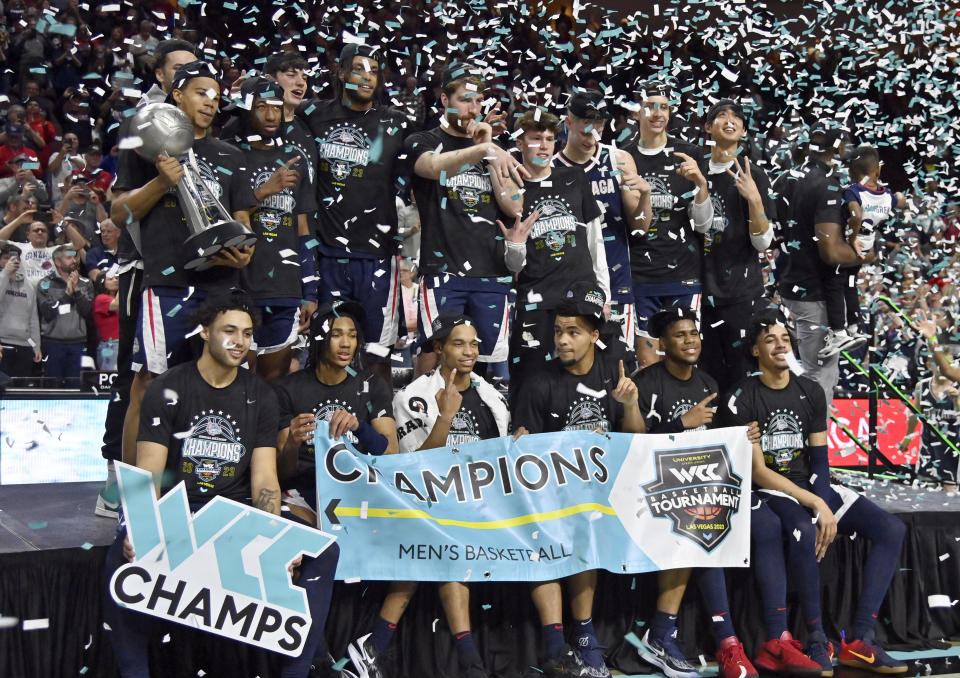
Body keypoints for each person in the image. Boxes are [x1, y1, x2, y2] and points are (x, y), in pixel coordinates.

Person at [102, 292, 340, 678]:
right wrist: (140, 529)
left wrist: (274, 536)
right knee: (121, 556)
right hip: (183, 512)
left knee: (322, 552)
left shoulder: (260, 394)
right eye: (229, 331)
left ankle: (296, 673)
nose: (239, 341)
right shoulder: (167, 387)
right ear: (205, 332)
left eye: (246, 334)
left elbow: (264, 477)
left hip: (234, 514)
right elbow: (148, 472)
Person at [722, 311, 907, 676]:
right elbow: (759, 472)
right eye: (770, 339)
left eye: (784, 338)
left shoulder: (809, 390)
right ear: (756, 350)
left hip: (809, 486)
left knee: (892, 529)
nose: (780, 344)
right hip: (773, 488)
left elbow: (820, 460)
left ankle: (860, 637)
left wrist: (822, 500)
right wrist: (814, 504)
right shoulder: (742, 396)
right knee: (802, 530)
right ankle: (815, 637)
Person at [110, 60, 255, 482]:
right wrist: (159, 182)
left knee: (226, 386)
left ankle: (221, 485)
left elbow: (243, 220)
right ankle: (130, 492)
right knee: (148, 385)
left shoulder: (231, 154)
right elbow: (119, 214)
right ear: (176, 96)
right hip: (168, 284)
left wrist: (245, 252)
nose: (211, 102)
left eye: (216, 95)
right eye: (200, 92)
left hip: (222, 288)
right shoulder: (143, 147)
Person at [348, 312, 509, 678]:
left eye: (474, 344)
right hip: (426, 501)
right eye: (458, 343)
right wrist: (446, 419)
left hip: (479, 503)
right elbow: (413, 468)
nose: (469, 351)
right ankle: (469, 662)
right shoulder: (414, 397)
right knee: (443, 542)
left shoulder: (490, 395)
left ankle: (376, 644)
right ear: (439, 348)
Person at [512, 284, 645, 678]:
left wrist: (631, 405)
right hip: (553, 496)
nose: (563, 340)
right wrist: (520, 442)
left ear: (594, 335)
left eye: (572, 332)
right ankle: (570, 641)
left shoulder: (613, 377)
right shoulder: (538, 382)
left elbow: (636, 441)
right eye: (557, 332)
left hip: (607, 492)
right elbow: (525, 456)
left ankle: (606, 635)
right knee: (573, 522)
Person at [95, 37, 198, 520]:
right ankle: (119, 484)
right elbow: (120, 206)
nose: (187, 77)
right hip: (145, 267)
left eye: (195, 71)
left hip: (198, 270)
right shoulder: (139, 126)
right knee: (137, 381)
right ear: (160, 77)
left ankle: (180, 478)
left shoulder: (209, 132)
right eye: (178, 70)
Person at [632, 307, 757, 678]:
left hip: (696, 489)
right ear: (662, 343)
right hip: (649, 489)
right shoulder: (645, 382)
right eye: (680, 335)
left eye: (694, 334)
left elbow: (718, 446)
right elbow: (631, 447)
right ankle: (674, 632)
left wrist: (744, 437)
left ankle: (743, 638)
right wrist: (679, 424)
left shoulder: (707, 383)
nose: (690, 341)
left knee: (739, 521)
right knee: (698, 524)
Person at [405, 60, 528, 376]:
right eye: (464, 100)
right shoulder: (424, 141)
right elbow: (433, 168)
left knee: (486, 367)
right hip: (443, 270)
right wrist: (482, 148)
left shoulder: (492, 150)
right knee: (433, 358)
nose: (473, 108)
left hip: (491, 272)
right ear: (445, 101)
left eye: (477, 100)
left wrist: (487, 152)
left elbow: (515, 205)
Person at [305, 44, 411, 384]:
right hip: (327, 255)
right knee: (323, 348)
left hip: (378, 256)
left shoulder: (396, 123)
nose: (367, 77)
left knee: (378, 353)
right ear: (340, 72)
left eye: (374, 71)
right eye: (358, 69)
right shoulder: (313, 116)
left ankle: (377, 422)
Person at [507, 108, 608, 393]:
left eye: (550, 139)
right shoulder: (512, 189)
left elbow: (595, 240)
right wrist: (515, 244)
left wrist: (605, 293)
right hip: (536, 299)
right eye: (536, 138)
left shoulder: (574, 178)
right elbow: (513, 265)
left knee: (584, 381)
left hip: (581, 294)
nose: (544, 146)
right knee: (533, 380)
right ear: (519, 143)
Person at [273, 299, 398, 525]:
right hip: (304, 492)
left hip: (359, 491)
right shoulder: (287, 389)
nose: (346, 343)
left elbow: (390, 454)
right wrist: (292, 442)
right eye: (337, 334)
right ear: (320, 339)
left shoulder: (371, 384)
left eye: (352, 335)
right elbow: (283, 473)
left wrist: (360, 427)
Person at [772, 127, 870, 404]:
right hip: (814, 290)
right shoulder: (827, 183)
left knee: (809, 372)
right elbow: (829, 251)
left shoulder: (784, 179)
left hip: (790, 285)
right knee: (820, 376)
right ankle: (814, 446)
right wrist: (861, 257)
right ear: (836, 149)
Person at [227, 77, 316, 380]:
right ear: (246, 110)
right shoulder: (228, 154)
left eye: (276, 108)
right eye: (261, 107)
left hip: (286, 287)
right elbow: (223, 219)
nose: (269, 116)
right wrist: (264, 191)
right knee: (237, 381)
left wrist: (310, 288)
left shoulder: (295, 159)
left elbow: (303, 227)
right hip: (241, 284)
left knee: (274, 383)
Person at [553, 89, 652, 354]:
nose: (592, 135)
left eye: (598, 125)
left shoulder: (618, 160)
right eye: (585, 128)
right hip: (568, 288)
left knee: (620, 370)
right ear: (569, 121)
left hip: (617, 282)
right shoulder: (551, 168)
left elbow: (640, 227)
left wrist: (644, 196)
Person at [625, 80, 713, 368]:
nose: (657, 113)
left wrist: (701, 185)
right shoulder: (624, 157)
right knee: (648, 366)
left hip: (684, 274)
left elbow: (702, 225)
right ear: (636, 111)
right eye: (650, 106)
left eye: (663, 107)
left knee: (686, 363)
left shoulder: (689, 154)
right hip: (641, 274)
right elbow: (631, 226)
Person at [697, 99, 776, 392]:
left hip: (742, 295)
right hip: (700, 294)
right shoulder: (695, 171)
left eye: (736, 117)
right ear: (708, 127)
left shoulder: (754, 175)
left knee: (743, 380)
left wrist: (754, 199)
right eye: (721, 116)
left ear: (743, 130)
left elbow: (763, 242)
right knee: (707, 380)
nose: (729, 121)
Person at [819, 146, 906, 358]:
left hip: (851, 246)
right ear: (878, 171)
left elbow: (856, 215)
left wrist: (851, 237)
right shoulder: (886, 196)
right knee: (850, 284)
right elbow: (900, 201)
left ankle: (839, 330)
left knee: (835, 283)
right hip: (867, 245)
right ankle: (855, 326)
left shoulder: (853, 191)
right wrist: (900, 198)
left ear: (852, 172)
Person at [36, 244, 94, 385]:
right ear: (58, 262)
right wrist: (67, 294)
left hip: (78, 343)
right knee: (52, 386)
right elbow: (48, 312)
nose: (74, 260)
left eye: (74, 257)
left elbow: (88, 312)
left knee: (76, 386)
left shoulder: (86, 283)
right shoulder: (45, 284)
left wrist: (77, 290)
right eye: (69, 258)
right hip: (53, 343)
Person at [0, 244, 41, 379]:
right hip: (2, 344)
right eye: (7, 258)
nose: (12, 261)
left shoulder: (28, 285)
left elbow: (33, 319)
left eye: (15, 258)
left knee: (21, 391)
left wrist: (36, 346)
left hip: (24, 346)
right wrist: (5, 273)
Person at [93, 273, 120, 371]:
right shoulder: (101, 299)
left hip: (120, 344)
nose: (115, 280)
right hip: (110, 346)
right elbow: (116, 304)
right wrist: (126, 284)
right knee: (110, 378)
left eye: (117, 278)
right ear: (102, 283)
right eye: (110, 279)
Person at [83, 218, 120, 282]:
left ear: (118, 233)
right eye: (102, 231)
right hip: (103, 289)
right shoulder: (93, 253)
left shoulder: (127, 253)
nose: (104, 235)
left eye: (109, 231)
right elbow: (94, 275)